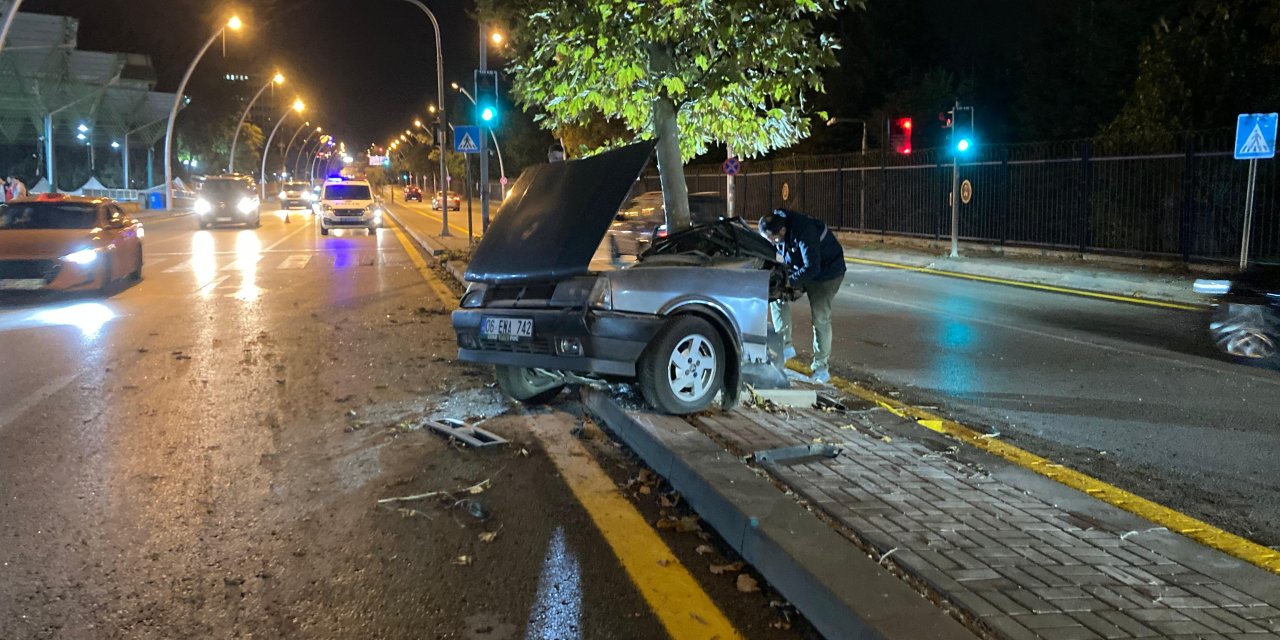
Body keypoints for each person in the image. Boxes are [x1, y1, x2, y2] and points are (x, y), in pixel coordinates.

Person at [758, 208, 846, 383]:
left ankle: (821, 368)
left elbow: (812, 267)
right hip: (802, 267)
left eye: (773, 239)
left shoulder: (804, 231)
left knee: (820, 318)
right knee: (777, 297)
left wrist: (789, 280)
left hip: (827, 273)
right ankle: (785, 346)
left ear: (782, 231)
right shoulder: (776, 226)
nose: (773, 242)